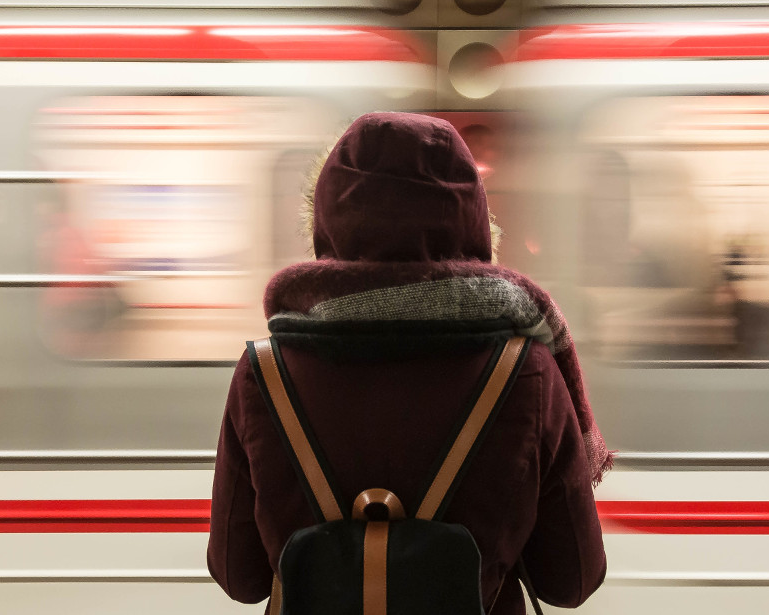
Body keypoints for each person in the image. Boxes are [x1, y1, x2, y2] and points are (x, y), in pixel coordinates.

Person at [208, 112, 610, 615]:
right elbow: (571, 580)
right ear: (474, 221)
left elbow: (238, 576)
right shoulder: (527, 372)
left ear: (328, 221)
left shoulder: (264, 373)